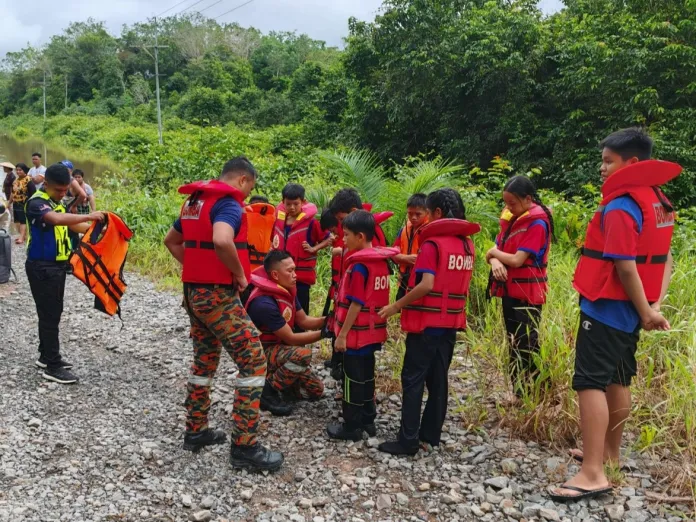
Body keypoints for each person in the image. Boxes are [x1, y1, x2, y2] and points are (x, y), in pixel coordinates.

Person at [549, 128, 678, 502]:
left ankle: (592, 473)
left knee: (589, 382)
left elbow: (624, 266)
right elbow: (664, 258)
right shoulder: (658, 201)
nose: (601, 168)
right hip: (633, 312)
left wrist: (646, 310)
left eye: (608, 161)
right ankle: (609, 454)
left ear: (632, 163)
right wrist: (652, 306)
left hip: (607, 309)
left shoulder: (622, 206)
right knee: (618, 379)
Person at [163, 156, 284, 472]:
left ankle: (196, 430)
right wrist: (240, 275)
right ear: (244, 180)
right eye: (250, 187)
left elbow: (171, 241)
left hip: (193, 294)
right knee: (254, 361)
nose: (247, 194)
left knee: (204, 361)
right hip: (216, 296)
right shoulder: (228, 204)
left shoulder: (196, 202)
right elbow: (221, 239)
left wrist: (195, 268)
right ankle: (244, 449)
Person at [378, 188, 480, 456]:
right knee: (439, 381)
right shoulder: (468, 245)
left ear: (436, 213)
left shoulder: (432, 245)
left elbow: (427, 284)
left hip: (426, 324)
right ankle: (430, 436)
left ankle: (407, 440)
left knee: (412, 379)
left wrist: (396, 306)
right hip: (450, 323)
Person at [25, 163, 105, 384]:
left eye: (65, 190)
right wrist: (88, 215)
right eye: (58, 190)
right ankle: (52, 365)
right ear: (46, 183)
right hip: (42, 267)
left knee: (52, 312)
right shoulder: (37, 203)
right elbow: (57, 220)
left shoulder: (55, 203)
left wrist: (100, 227)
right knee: (50, 315)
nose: (62, 194)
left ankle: (45, 355)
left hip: (56, 267)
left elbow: (72, 226)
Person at [326, 210, 398, 441]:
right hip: (372, 334)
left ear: (360, 236)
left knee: (352, 380)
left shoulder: (359, 267)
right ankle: (369, 419)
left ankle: (351, 426)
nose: (343, 240)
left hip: (356, 336)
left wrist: (342, 335)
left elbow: (356, 304)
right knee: (367, 376)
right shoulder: (380, 263)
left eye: (346, 235)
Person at [485, 176, 554, 399]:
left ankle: (540, 396)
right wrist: (494, 260)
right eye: (506, 203)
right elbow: (495, 249)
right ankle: (519, 394)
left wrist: (494, 255)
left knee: (528, 345)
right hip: (509, 292)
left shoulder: (537, 223)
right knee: (513, 343)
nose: (508, 208)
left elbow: (516, 260)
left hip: (528, 294)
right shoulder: (513, 219)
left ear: (528, 199)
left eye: (512, 203)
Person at [246, 251, 328, 414]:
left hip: (279, 351)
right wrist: (326, 333)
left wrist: (330, 320)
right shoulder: (264, 303)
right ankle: (267, 391)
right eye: (290, 271)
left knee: (316, 391)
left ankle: (283, 385)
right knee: (302, 354)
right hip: (259, 354)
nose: (295, 275)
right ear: (275, 274)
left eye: (294, 270)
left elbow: (304, 321)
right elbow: (291, 338)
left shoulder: (286, 289)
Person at [271, 183, 333, 315]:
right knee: (280, 311)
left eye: (296, 204)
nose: (292, 207)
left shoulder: (311, 222)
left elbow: (329, 238)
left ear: (303, 202)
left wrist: (314, 248)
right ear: (283, 202)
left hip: (300, 279)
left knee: (301, 312)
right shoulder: (278, 219)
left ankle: (300, 333)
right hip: (280, 276)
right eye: (288, 204)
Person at [392, 193, 429, 300]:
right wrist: (404, 258)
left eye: (418, 214)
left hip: (420, 280)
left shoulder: (429, 231)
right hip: (404, 279)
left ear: (427, 212)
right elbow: (393, 253)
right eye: (410, 214)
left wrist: (401, 258)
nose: (413, 217)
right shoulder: (403, 230)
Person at [10, 163, 36, 245]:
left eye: (20, 170)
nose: (18, 171)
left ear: (24, 171)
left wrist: (31, 205)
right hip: (16, 203)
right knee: (17, 221)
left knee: (23, 221)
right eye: (17, 170)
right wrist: (8, 203)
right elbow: (12, 193)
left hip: (24, 204)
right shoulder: (16, 181)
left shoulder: (29, 181)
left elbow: (33, 193)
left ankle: (21, 238)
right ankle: (23, 236)